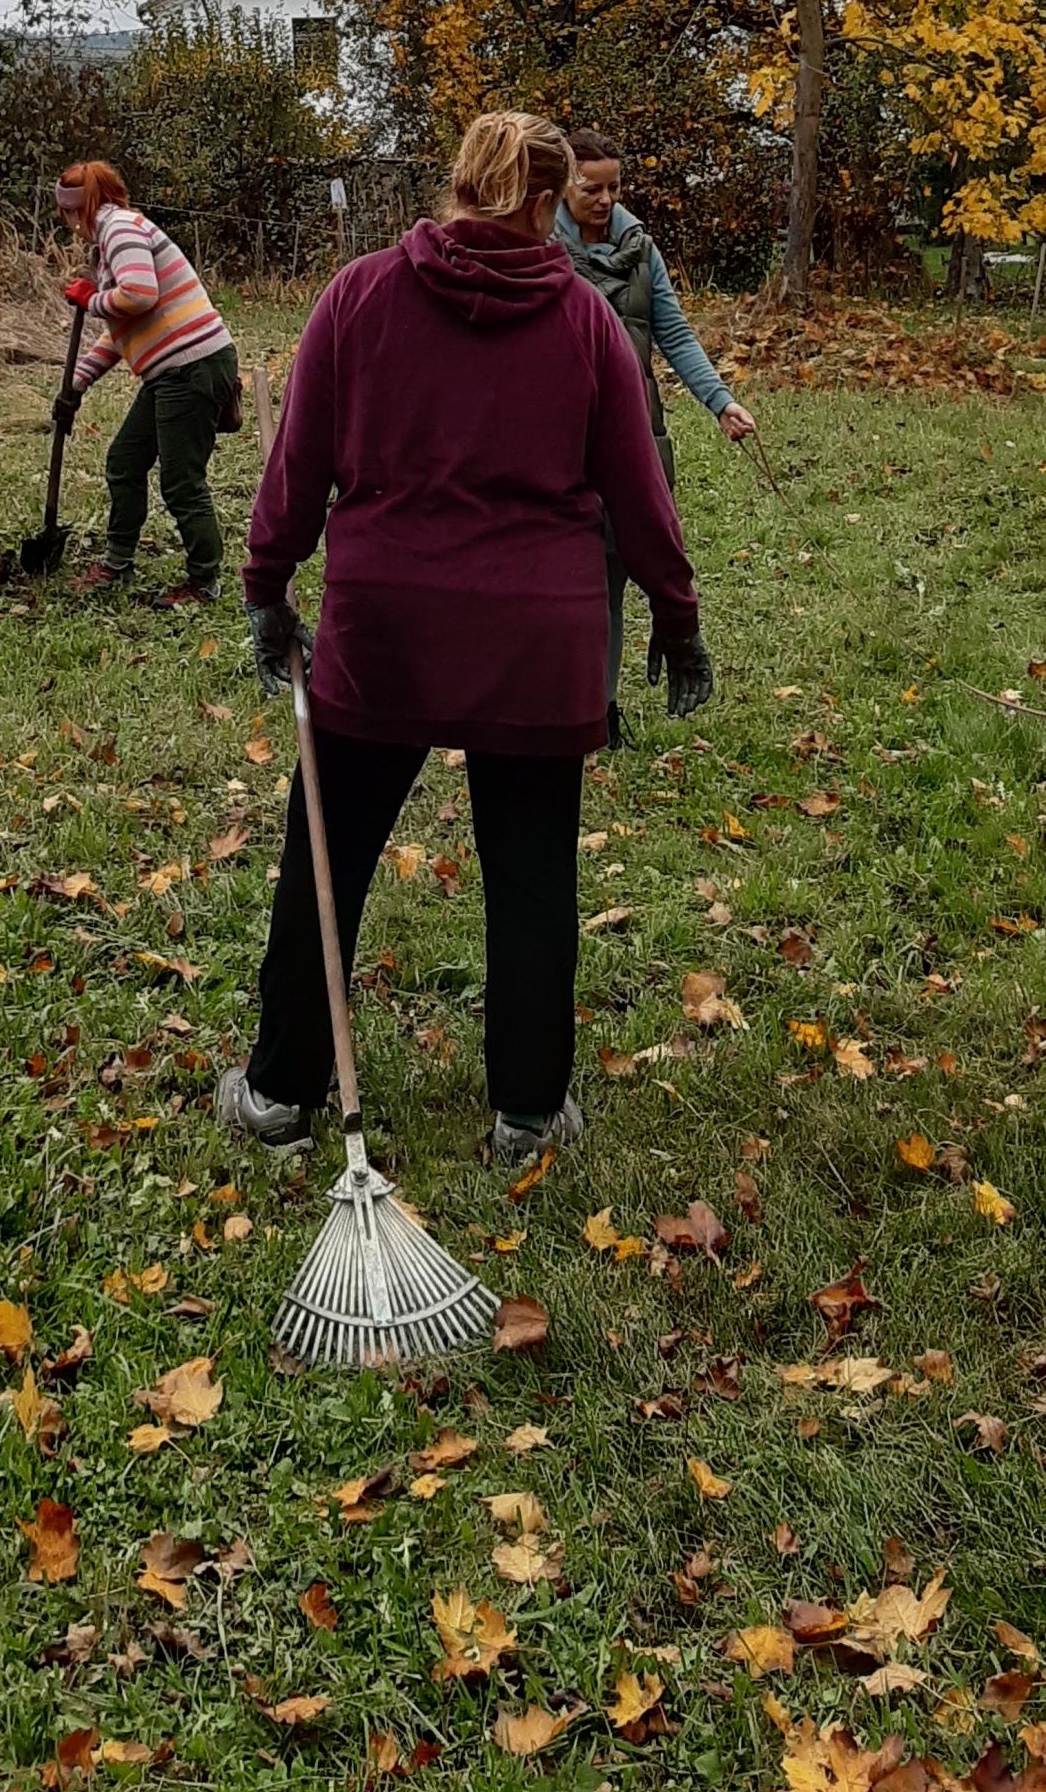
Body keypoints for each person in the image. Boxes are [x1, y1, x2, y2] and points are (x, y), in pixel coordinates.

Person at [221, 110, 713, 1166]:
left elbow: (297, 464)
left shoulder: (359, 296)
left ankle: (277, 1094)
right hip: (534, 645)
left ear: (454, 187)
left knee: (327, 859)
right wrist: (677, 617)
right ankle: (527, 1117)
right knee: (531, 877)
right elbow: (640, 493)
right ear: (544, 203)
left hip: (384, 628)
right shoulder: (582, 322)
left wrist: (267, 583)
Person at [556, 129, 756, 732]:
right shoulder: (540, 249)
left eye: (614, 186)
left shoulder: (641, 249)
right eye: (592, 187)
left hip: (635, 428)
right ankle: (564, 703)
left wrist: (720, 402)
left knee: (618, 567)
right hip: (563, 433)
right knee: (569, 575)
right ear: (563, 186)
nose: (605, 198)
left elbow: (673, 332)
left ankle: (605, 712)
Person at [53, 160, 242, 606]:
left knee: (181, 482)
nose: (66, 224)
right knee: (124, 460)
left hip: (192, 366)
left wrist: (92, 300)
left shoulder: (120, 229)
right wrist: (74, 386)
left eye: (65, 214)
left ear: (77, 209)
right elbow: (122, 334)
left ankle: (204, 583)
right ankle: (117, 564)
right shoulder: (111, 240)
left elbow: (139, 295)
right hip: (169, 371)